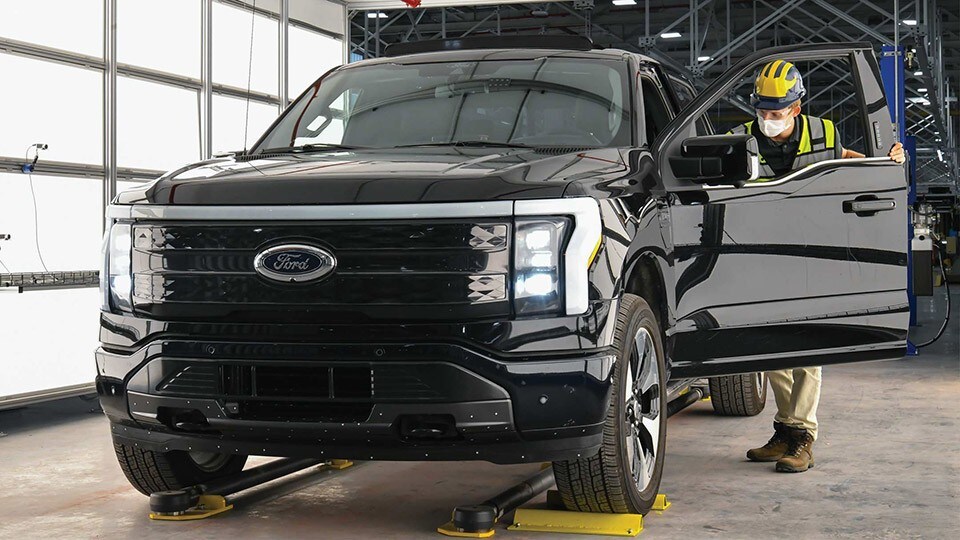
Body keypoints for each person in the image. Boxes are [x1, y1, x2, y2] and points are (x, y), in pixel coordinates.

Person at [730, 59, 906, 473]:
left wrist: (887, 161)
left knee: (807, 347)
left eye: (776, 113)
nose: (767, 120)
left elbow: (847, 160)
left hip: (812, 253)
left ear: (797, 106)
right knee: (769, 347)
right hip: (760, 256)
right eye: (762, 111)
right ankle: (785, 429)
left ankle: (803, 436)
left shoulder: (824, 132)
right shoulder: (739, 139)